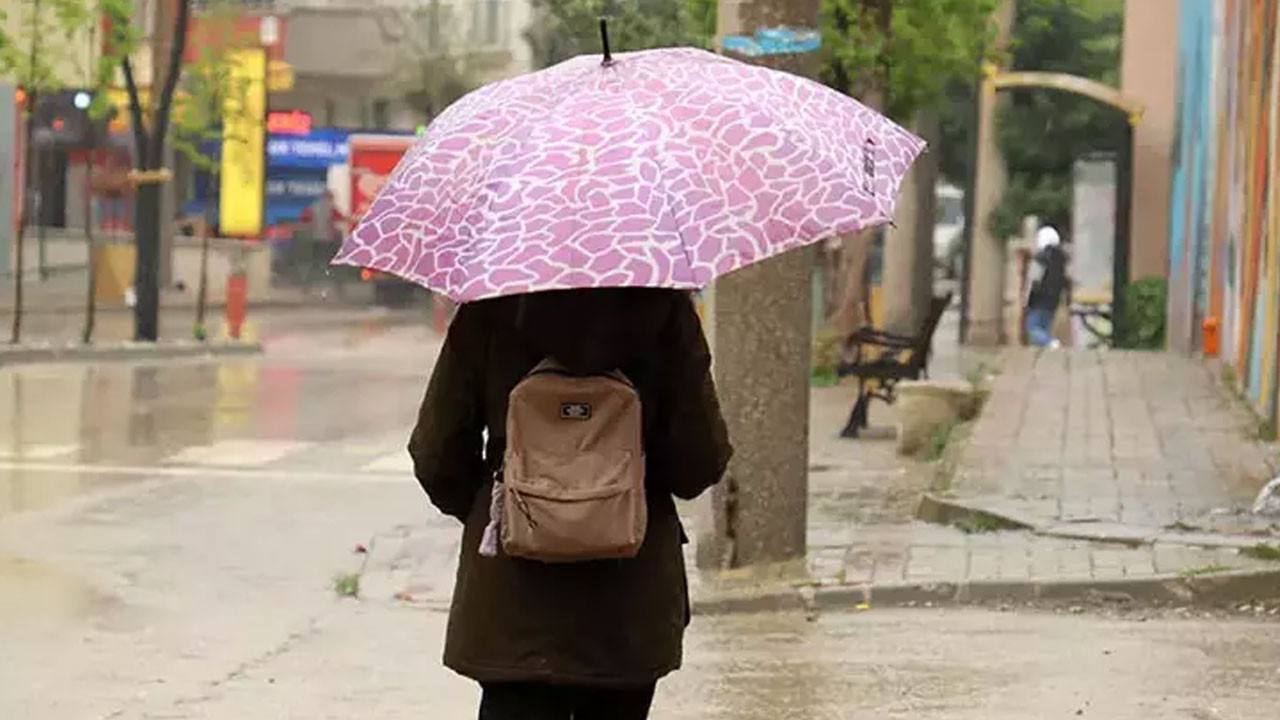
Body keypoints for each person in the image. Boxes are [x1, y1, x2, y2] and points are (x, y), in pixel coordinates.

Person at [409, 288, 732, 720]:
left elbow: (436, 454)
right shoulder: (664, 311)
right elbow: (698, 463)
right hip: (628, 604)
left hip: (514, 598)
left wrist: (503, 507)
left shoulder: (491, 307)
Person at [1025, 226, 1070, 349]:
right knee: (1045, 327)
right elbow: (1066, 280)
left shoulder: (1040, 258)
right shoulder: (1062, 259)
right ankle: (1046, 347)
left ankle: (1050, 343)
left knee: (1032, 329)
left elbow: (1033, 279)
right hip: (1053, 300)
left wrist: (1027, 299)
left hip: (1038, 299)